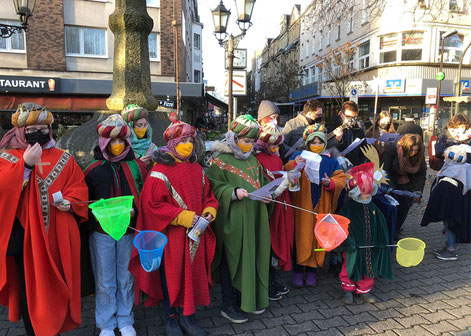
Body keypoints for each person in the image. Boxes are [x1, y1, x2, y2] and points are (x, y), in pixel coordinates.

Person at [0, 103, 89, 335]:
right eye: (31, 129)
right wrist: (26, 164)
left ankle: (55, 326)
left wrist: (71, 202)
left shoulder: (65, 158)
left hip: (59, 237)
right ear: (21, 131)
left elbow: (78, 186)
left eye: (43, 127)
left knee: (59, 286)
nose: (38, 133)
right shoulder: (8, 157)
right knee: (31, 289)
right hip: (26, 239)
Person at [130, 120, 218, 336]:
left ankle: (188, 317)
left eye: (190, 141)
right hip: (172, 237)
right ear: (173, 143)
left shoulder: (197, 168)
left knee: (192, 277)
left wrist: (210, 210)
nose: (188, 145)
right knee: (171, 278)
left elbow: (209, 195)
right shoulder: (159, 171)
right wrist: (185, 217)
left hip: (196, 234)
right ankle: (170, 319)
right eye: (183, 141)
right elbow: (152, 206)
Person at [84, 114, 148, 336]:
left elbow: (145, 198)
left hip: (128, 232)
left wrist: (135, 211)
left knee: (126, 277)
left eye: (121, 141)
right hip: (101, 233)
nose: (117, 145)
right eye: (112, 141)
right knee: (104, 280)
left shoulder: (137, 167)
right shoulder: (92, 169)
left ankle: (125, 320)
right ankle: (106, 323)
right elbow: (85, 202)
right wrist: (97, 216)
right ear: (104, 142)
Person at [207, 114, 273, 323]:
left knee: (252, 259)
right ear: (234, 138)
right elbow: (213, 190)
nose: (249, 145)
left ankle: (248, 299)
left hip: (254, 218)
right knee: (231, 261)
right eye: (246, 141)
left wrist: (267, 195)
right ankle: (228, 304)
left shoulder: (253, 159)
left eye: (252, 142)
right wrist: (233, 192)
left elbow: (261, 182)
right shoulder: (219, 161)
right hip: (232, 221)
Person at [285, 124, 346, 288]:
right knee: (301, 236)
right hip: (302, 205)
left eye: (320, 142)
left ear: (325, 143)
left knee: (318, 237)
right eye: (314, 142)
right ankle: (298, 270)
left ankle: (312, 271)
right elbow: (287, 172)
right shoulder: (299, 155)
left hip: (322, 205)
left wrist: (330, 182)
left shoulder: (331, 161)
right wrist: (294, 165)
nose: (317, 146)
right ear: (308, 143)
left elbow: (342, 179)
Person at [337, 162, 393, 304]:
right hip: (353, 247)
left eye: (369, 193)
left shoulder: (373, 207)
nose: (366, 197)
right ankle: (348, 290)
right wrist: (349, 243)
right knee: (349, 267)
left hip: (369, 247)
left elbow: (380, 225)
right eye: (363, 194)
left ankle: (364, 290)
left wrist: (381, 241)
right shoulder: (348, 208)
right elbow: (342, 227)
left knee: (368, 268)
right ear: (355, 192)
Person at [421, 114, 471, 261]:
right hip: (448, 180)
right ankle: (450, 245)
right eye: (456, 127)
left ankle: (451, 248)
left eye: (463, 127)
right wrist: (452, 144)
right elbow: (438, 152)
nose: (459, 130)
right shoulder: (445, 137)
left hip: (462, 184)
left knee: (453, 215)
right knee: (449, 215)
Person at [254, 123, 293, 301]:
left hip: (279, 205)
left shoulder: (276, 157)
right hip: (267, 206)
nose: (274, 148)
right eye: (271, 145)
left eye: (277, 145)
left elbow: (278, 173)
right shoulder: (257, 159)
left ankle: (272, 278)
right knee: (267, 246)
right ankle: (266, 282)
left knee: (275, 245)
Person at [382, 134, 426, 240]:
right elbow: (385, 168)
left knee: (404, 207)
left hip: (408, 181)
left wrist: (418, 190)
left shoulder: (419, 154)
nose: (414, 153)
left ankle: (396, 229)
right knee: (392, 206)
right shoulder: (393, 148)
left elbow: (421, 172)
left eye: (416, 150)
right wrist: (389, 185)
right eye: (412, 150)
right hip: (392, 178)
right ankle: (388, 230)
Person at [327, 101, 366, 165]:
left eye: (353, 117)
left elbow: (364, 151)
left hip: (354, 167)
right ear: (340, 113)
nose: (350, 120)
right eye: (348, 116)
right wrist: (337, 140)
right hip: (335, 167)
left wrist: (360, 164)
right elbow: (325, 148)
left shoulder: (359, 131)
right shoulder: (330, 129)